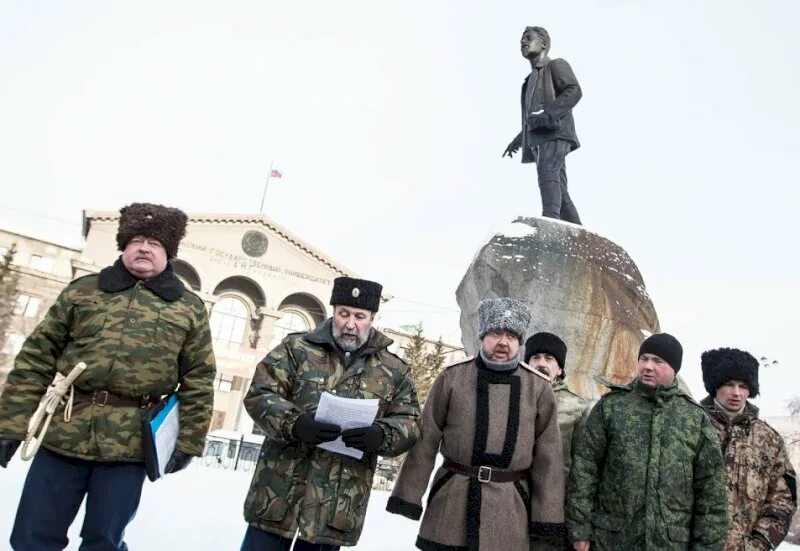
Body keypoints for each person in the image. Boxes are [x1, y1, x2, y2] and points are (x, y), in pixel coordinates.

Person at [0, 202, 216, 550]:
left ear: (169, 253)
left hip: (129, 448)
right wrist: (10, 423)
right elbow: (35, 359)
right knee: (32, 536)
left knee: (104, 541)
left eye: (156, 243)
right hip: (64, 436)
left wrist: (189, 441)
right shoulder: (84, 291)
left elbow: (200, 380)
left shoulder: (188, 309)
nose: (145, 247)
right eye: (137, 239)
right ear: (124, 245)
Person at [241, 276, 421, 550]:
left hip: (336, 505)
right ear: (333, 311)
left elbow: (409, 421)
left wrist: (381, 435)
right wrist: (295, 423)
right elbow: (260, 393)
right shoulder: (296, 349)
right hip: (276, 493)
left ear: (372, 317)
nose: (350, 324)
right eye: (344, 314)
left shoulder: (393, 370)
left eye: (359, 316)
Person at [387, 298, 566, 550]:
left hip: (509, 510)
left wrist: (547, 519)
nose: (503, 342)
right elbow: (426, 439)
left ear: (520, 342)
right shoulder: (452, 377)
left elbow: (549, 459)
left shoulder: (538, 388)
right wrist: (408, 496)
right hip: (451, 505)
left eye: (512, 336)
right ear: (483, 336)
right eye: (496, 333)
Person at [566, 333, 728, 550]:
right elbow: (585, 470)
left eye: (658, 361)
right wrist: (580, 531)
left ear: (674, 369)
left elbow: (711, 490)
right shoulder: (612, 407)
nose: (648, 366)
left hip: (670, 544)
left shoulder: (694, 418)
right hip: (611, 540)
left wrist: (707, 546)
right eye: (644, 359)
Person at [700, 347, 797, 551]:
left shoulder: (768, 439)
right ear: (715, 386)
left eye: (743, 386)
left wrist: (759, 543)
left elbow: (783, 499)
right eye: (729, 384)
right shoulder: (691, 427)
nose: (736, 393)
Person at [503, 26, 583, 224]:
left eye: (528, 38)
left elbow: (574, 91)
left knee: (547, 174)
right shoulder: (528, 81)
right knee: (559, 189)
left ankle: (550, 222)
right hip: (539, 137)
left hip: (555, 132)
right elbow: (532, 118)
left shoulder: (556, 65)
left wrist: (549, 116)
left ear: (544, 44)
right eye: (521, 40)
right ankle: (577, 231)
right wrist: (519, 140)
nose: (523, 42)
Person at [524, 332, 589, 478]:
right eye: (535, 357)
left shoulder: (578, 408)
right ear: (527, 364)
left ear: (560, 369)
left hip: (556, 491)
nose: (541, 363)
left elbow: (583, 463)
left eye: (549, 358)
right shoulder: (512, 396)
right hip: (515, 492)